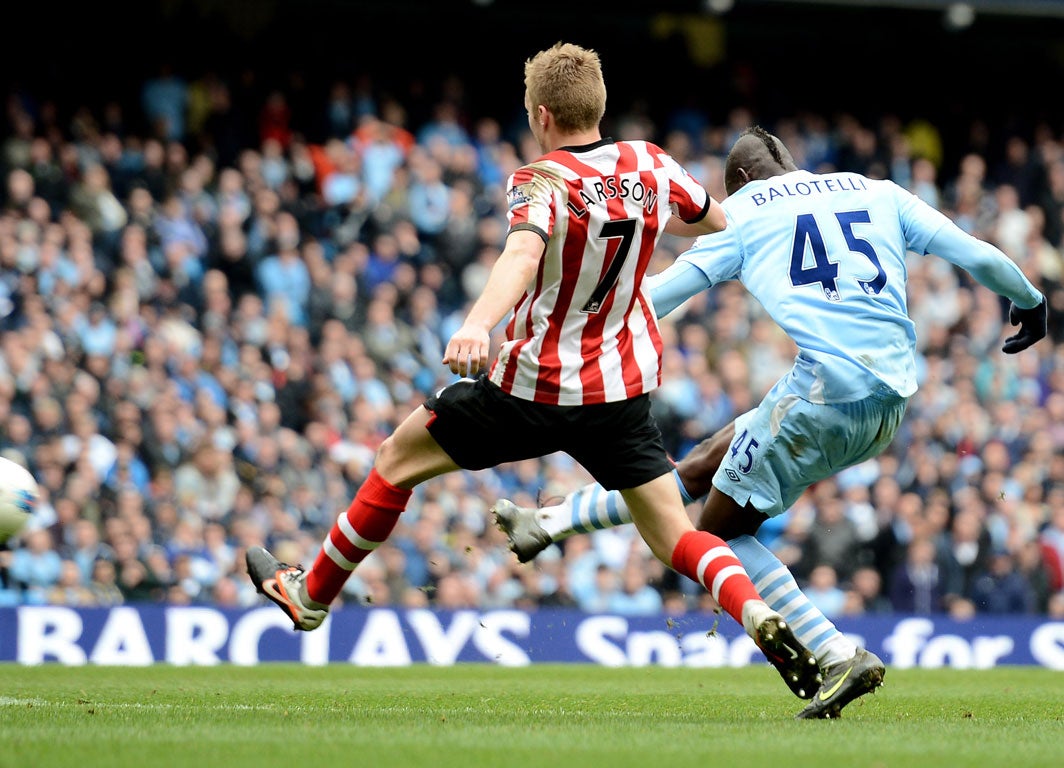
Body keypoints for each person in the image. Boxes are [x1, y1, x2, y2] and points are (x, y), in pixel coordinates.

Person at [246, 45, 816, 697]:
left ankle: (310, 595)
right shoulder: (651, 164)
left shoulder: (541, 179)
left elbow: (521, 258)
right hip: (619, 393)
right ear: (598, 106)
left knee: (395, 460)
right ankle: (759, 615)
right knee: (676, 536)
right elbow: (718, 222)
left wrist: (475, 325)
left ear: (541, 114)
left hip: (530, 390)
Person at [492, 125, 1048, 719]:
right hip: (891, 401)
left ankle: (835, 653)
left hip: (821, 396)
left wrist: (567, 331)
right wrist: (1032, 301)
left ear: (738, 183)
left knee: (716, 536)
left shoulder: (740, 214)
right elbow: (975, 253)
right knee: (708, 458)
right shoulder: (876, 190)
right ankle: (548, 522)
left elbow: (658, 296)